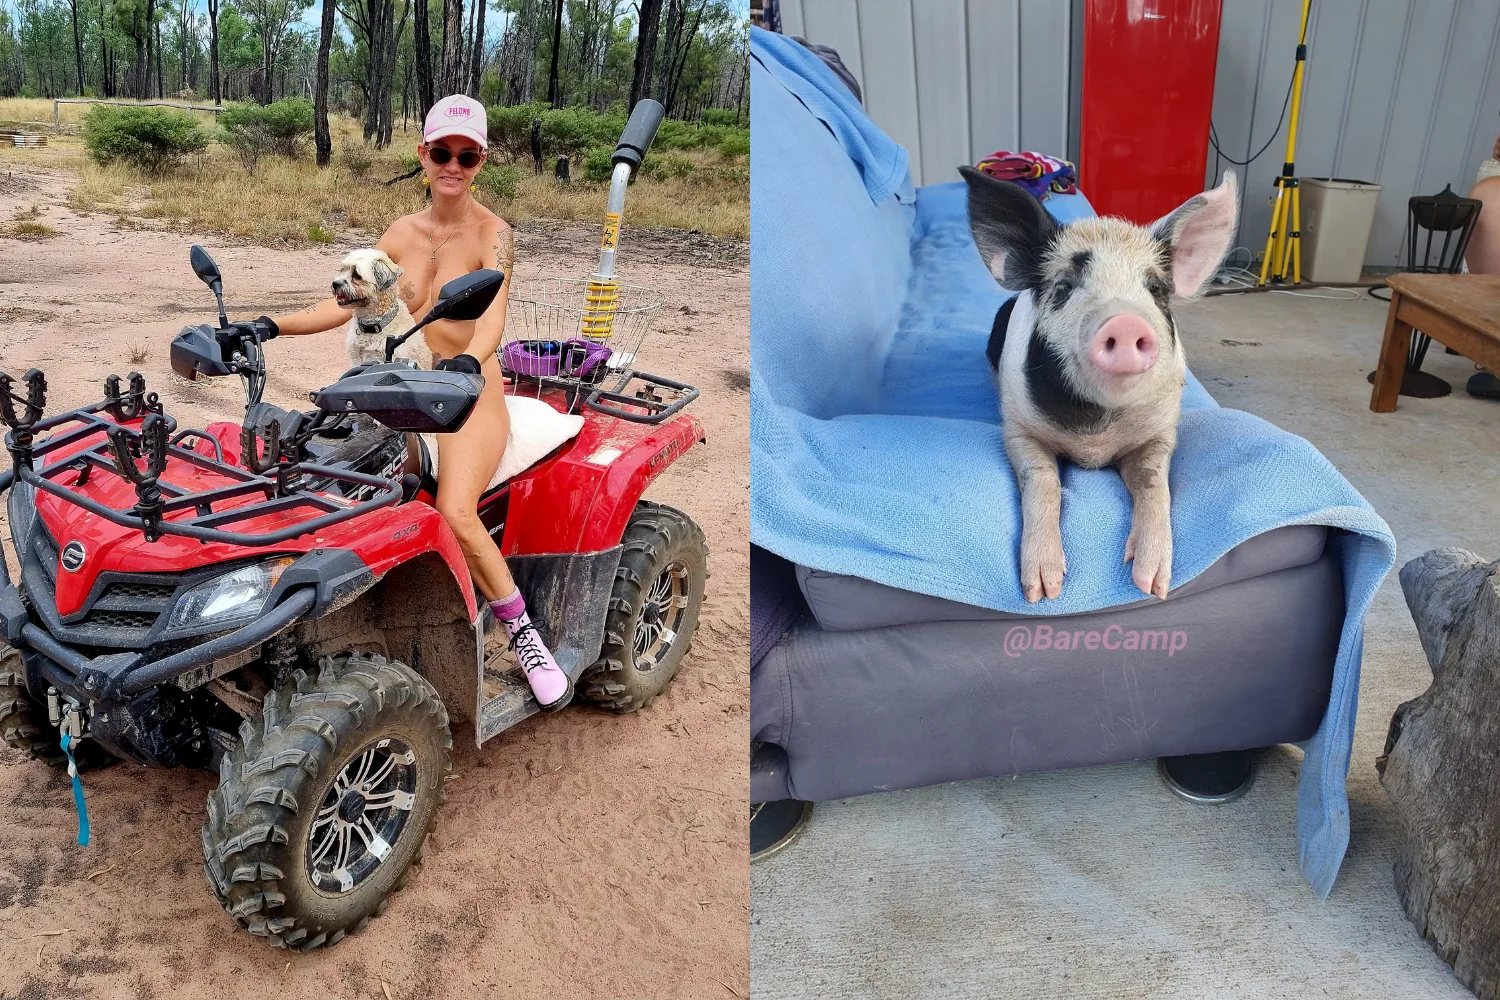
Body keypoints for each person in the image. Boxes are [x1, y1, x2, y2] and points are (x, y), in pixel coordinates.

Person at [247, 94, 573, 711]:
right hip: (407, 383)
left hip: (468, 390)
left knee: (454, 507)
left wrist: (467, 364)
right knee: (327, 473)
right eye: (441, 152)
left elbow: (492, 319)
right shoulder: (400, 233)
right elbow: (355, 300)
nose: (453, 165)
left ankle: (523, 637)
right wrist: (269, 326)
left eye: (467, 155)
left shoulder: (494, 236)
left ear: (481, 161)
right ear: (422, 154)